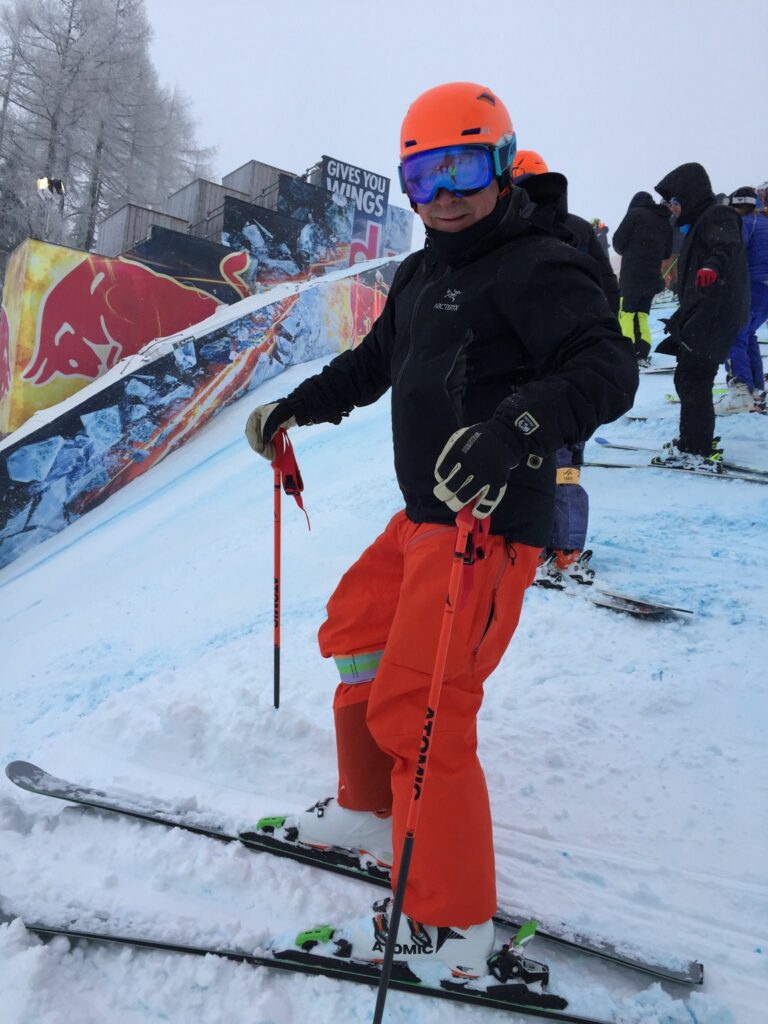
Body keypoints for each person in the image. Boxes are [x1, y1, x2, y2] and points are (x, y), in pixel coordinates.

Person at [244, 82, 638, 978]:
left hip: (489, 529)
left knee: (425, 710)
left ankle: (448, 923)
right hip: (425, 515)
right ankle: (370, 807)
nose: (447, 190)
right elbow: (377, 363)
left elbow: (610, 365)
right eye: (425, 174)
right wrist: (296, 408)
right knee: (356, 635)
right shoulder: (426, 271)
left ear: (502, 165)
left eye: (465, 165)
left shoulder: (539, 263)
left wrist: (514, 432)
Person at [511, 149, 617, 587]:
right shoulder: (580, 232)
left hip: (535, 367)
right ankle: (566, 545)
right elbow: (608, 290)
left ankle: (536, 547)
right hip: (575, 366)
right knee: (566, 460)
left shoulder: (514, 230)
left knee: (532, 458)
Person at [653, 163, 749, 470]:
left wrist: (713, 267)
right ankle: (695, 439)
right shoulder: (699, 222)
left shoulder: (718, 215)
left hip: (716, 312)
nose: (673, 208)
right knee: (690, 376)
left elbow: (725, 246)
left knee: (693, 377)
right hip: (707, 310)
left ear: (690, 196)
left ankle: (696, 447)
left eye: (675, 201)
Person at [718, 187, 768, 413]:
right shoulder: (764, 221)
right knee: (748, 335)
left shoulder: (747, 222)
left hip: (752, 286)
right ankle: (755, 389)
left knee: (734, 335)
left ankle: (741, 392)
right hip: (764, 289)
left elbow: (735, 252)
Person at [611, 192, 673, 366]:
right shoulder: (664, 220)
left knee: (627, 315)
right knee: (642, 316)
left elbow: (617, 242)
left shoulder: (634, 214)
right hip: (652, 276)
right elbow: (667, 252)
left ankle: (629, 353)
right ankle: (642, 352)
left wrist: (633, 250)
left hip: (632, 276)